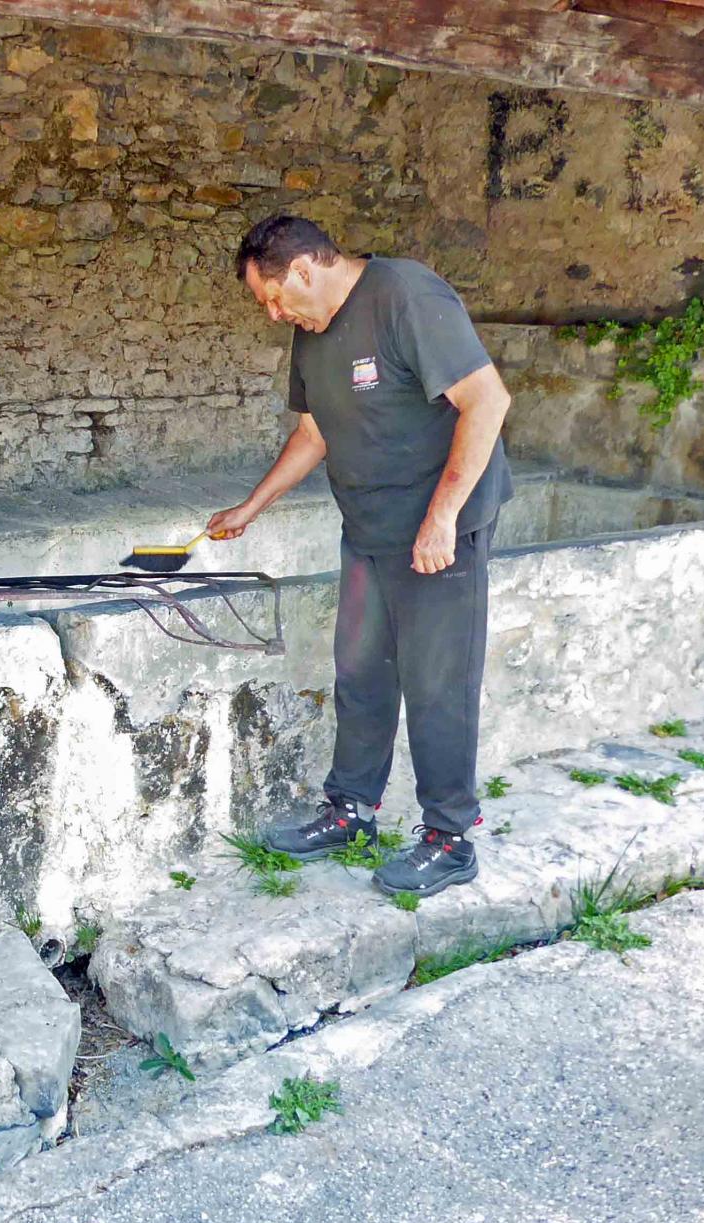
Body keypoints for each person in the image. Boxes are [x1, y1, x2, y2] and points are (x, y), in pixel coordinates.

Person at [211, 214, 513, 899]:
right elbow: (314, 432)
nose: (271, 312)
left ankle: (449, 838)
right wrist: (252, 507)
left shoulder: (407, 295)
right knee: (361, 673)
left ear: (304, 270)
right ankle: (351, 812)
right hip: (369, 525)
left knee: (438, 683)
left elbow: (487, 401)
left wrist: (444, 517)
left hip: (440, 531)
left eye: (273, 296)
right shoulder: (311, 331)